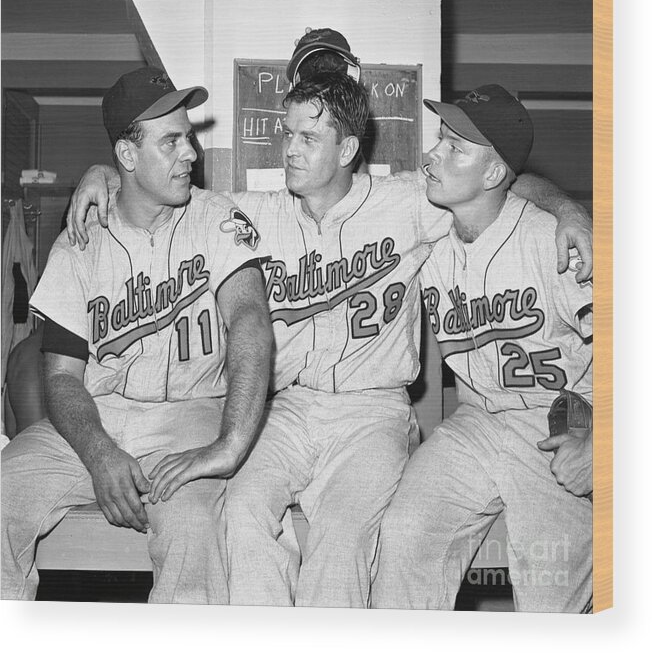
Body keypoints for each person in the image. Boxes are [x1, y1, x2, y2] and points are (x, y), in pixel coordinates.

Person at [65, 67, 592, 608]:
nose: (289, 150)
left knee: (342, 538)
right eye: (287, 134)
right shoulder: (253, 214)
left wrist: (569, 207)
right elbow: (159, 192)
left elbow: (505, 186)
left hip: (372, 411)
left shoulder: (414, 201)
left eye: (308, 138)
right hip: (287, 409)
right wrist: (105, 170)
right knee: (241, 515)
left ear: (346, 150)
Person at [0, 67, 273, 604]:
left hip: (190, 418)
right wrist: (100, 454)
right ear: (127, 157)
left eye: (188, 135)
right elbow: (61, 378)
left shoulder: (218, 219)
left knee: (194, 529)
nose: (191, 152)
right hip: (97, 420)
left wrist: (229, 443)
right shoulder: (79, 244)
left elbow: (249, 321)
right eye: (171, 140)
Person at [372, 85, 593, 613]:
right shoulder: (428, 235)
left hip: (562, 422)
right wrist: (563, 197)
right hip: (478, 425)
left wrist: (605, 444)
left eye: (455, 148)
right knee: (402, 538)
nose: (432, 156)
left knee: (549, 594)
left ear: (493, 175)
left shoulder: (551, 241)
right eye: (439, 140)